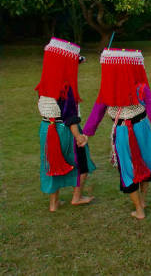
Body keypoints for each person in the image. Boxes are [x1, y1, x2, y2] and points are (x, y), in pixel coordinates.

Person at [83, 48, 151, 220]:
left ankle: (139, 208)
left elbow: (97, 111)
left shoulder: (108, 89)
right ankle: (143, 201)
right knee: (144, 164)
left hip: (123, 132)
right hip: (141, 129)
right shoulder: (140, 87)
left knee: (128, 169)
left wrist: (87, 133)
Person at [35, 38, 96, 212]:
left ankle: (53, 204)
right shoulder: (65, 88)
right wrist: (79, 137)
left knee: (52, 163)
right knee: (82, 161)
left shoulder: (44, 84)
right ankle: (77, 197)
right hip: (65, 131)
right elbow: (70, 116)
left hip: (46, 129)